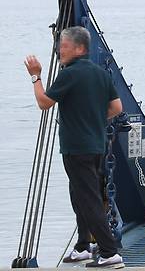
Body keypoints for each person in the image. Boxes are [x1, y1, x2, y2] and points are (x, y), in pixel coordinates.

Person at [24, 26, 124, 268]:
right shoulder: (101, 73)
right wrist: (95, 121)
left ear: (79, 48)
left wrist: (36, 76)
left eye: (64, 46)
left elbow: (44, 103)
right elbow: (117, 108)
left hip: (76, 149)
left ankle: (110, 252)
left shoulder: (69, 73)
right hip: (96, 146)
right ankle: (82, 246)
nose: (59, 51)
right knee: (79, 197)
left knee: (88, 199)